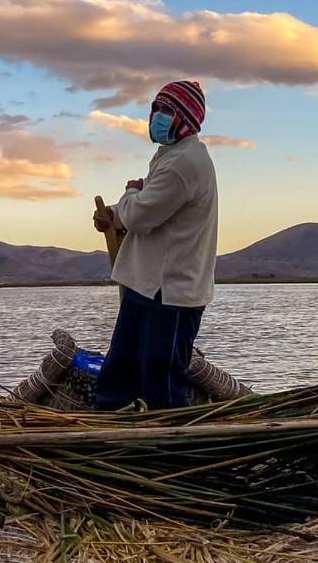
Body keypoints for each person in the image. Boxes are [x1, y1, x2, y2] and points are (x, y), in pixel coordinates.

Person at [92, 79, 218, 410]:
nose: (158, 117)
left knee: (161, 383)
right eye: (157, 110)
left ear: (185, 118)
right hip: (147, 286)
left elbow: (140, 215)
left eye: (167, 111)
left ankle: (166, 448)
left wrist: (130, 197)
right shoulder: (169, 155)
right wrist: (113, 216)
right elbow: (147, 208)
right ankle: (112, 429)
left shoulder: (184, 164)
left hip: (170, 292)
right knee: (119, 372)